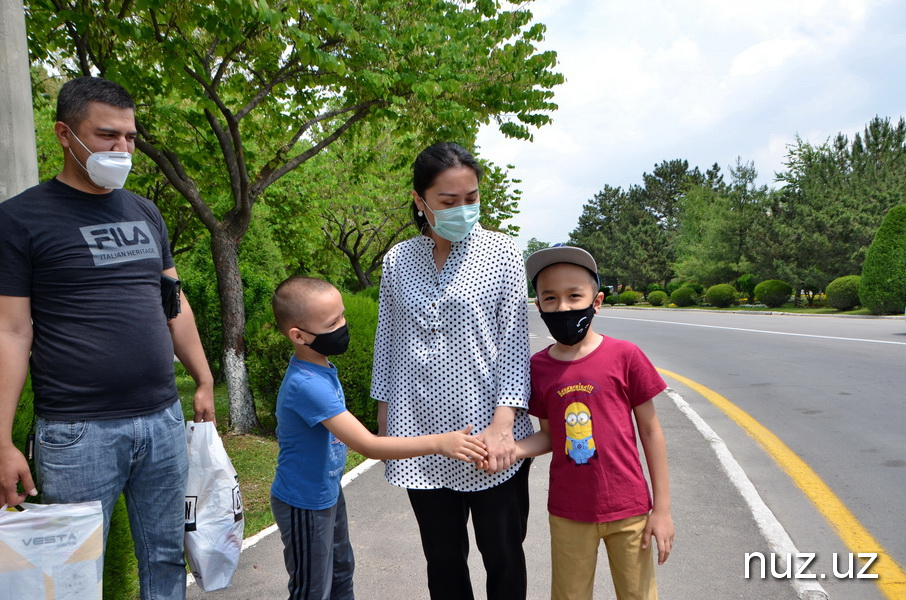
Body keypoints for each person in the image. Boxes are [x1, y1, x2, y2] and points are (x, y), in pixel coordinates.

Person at [0, 77, 214, 600]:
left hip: (162, 420)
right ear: (64, 134)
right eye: (107, 136)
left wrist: (204, 378)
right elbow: (11, 330)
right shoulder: (19, 219)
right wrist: (1, 439)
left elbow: (173, 303)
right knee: (74, 577)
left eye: (130, 137)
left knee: (165, 556)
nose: (122, 149)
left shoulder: (144, 211)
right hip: (77, 433)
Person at [370, 142, 534, 600]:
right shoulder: (398, 260)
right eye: (449, 201)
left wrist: (504, 426)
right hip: (421, 434)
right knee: (442, 559)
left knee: (502, 553)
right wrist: (384, 414)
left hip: (491, 437)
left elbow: (514, 344)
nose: (464, 209)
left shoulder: (502, 253)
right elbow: (388, 338)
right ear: (421, 201)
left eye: (472, 198)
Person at [269, 276, 488, 599]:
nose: (343, 326)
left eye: (342, 315)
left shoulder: (320, 367)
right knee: (311, 589)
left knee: (341, 574)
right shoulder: (308, 384)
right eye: (332, 323)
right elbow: (369, 445)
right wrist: (441, 442)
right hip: (303, 502)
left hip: (324, 493)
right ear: (299, 336)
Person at [513, 245, 674, 600]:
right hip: (569, 512)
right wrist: (511, 450)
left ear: (596, 301)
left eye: (575, 296)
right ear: (538, 305)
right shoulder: (537, 368)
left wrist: (661, 510)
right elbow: (550, 437)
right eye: (550, 298)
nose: (564, 307)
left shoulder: (625, 356)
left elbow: (650, 430)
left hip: (630, 510)